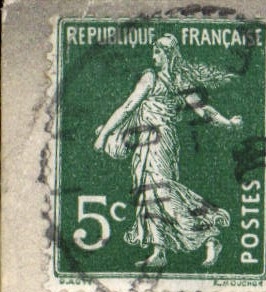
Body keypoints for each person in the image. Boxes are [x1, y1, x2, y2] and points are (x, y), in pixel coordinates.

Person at [93, 35, 242, 268]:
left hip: (160, 141)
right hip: (147, 140)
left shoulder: (159, 79)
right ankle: (159, 250)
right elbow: (131, 107)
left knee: (162, 191)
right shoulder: (167, 79)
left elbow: (202, 111)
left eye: (158, 53)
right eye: (153, 53)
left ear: (169, 54)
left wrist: (228, 123)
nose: (154, 57)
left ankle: (210, 235)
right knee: (148, 193)